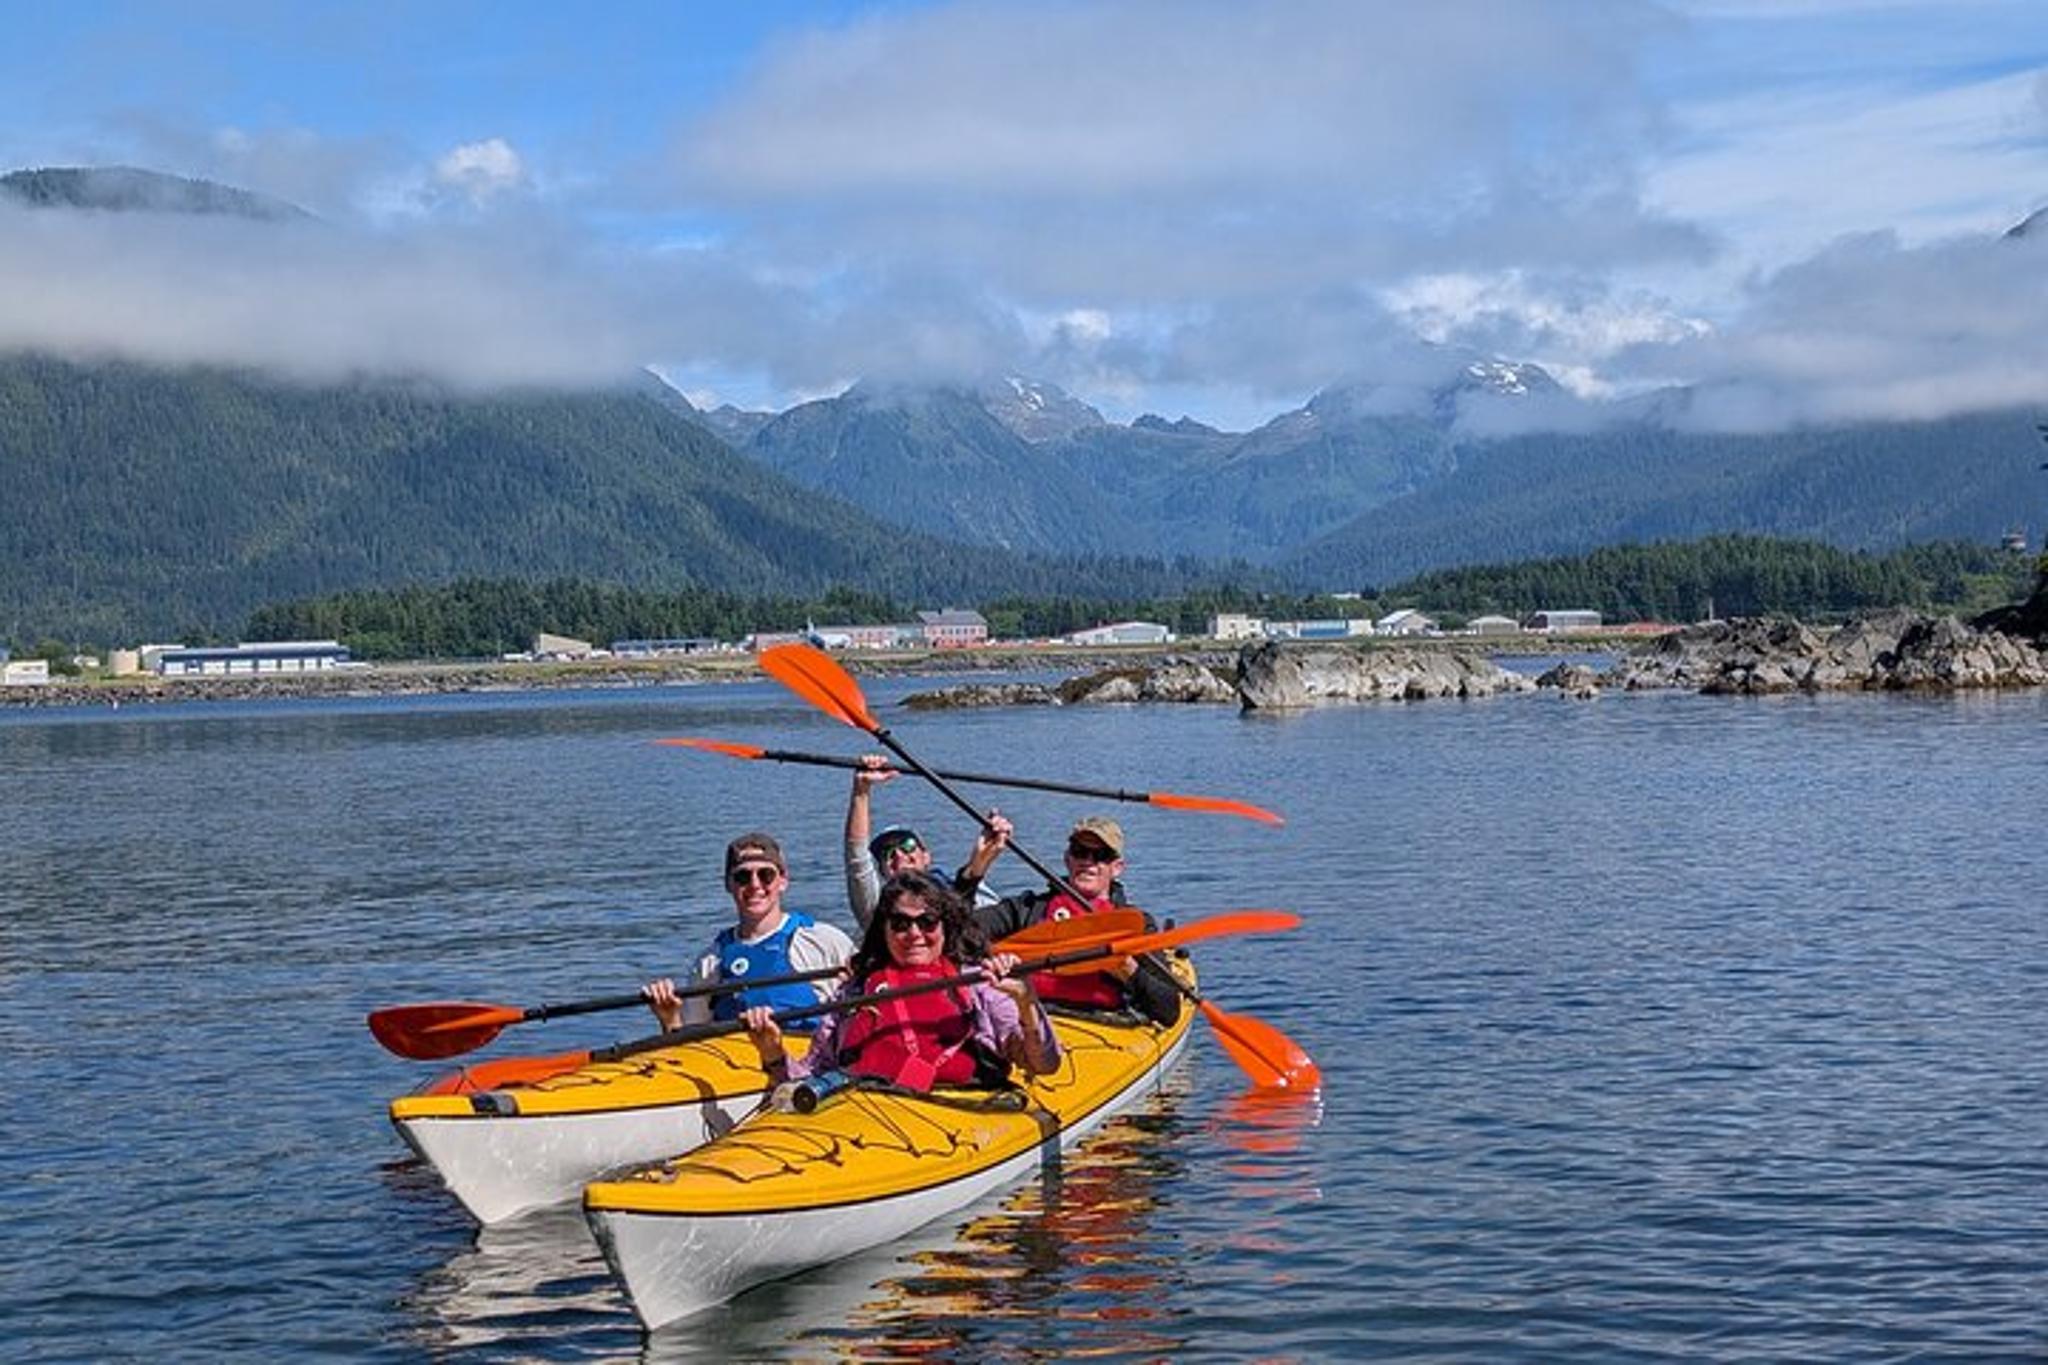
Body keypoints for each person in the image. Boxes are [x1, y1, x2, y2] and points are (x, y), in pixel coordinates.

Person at [743, 870, 1060, 1092]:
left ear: (945, 926)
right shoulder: (854, 992)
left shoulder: (979, 986)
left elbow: (1044, 1064)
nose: (914, 934)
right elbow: (810, 1075)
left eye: (927, 922)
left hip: (963, 1110)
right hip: (865, 1110)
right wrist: (772, 1053)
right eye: (900, 923)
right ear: (884, 930)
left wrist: (1026, 1001)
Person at [960, 815, 1182, 1027]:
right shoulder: (1028, 908)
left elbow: (1168, 1011)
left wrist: (1126, 968)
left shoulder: (1133, 924)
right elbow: (954, 932)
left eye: (1100, 855)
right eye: (1080, 852)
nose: (1087, 862)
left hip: (1099, 1026)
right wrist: (976, 868)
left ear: (1117, 868)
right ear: (1067, 859)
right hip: (1028, 1016)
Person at [641, 831, 855, 1031]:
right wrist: (668, 1018)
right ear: (728, 884)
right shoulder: (709, 962)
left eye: (766, 875)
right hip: (735, 1064)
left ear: (783, 881)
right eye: (743, 877)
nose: (755, 885)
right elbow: (685, 1044)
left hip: (809, 1062)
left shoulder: (824, 941)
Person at [843, 753, 1008, 927]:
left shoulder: (966, 888)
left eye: (908, 846)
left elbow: (1000, 918)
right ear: (882, 872)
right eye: (888, 854)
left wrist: (983, 857)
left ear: (926, 856)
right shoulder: (877, 908)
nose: (900, 855)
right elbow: (857, 858)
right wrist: (861, 790)